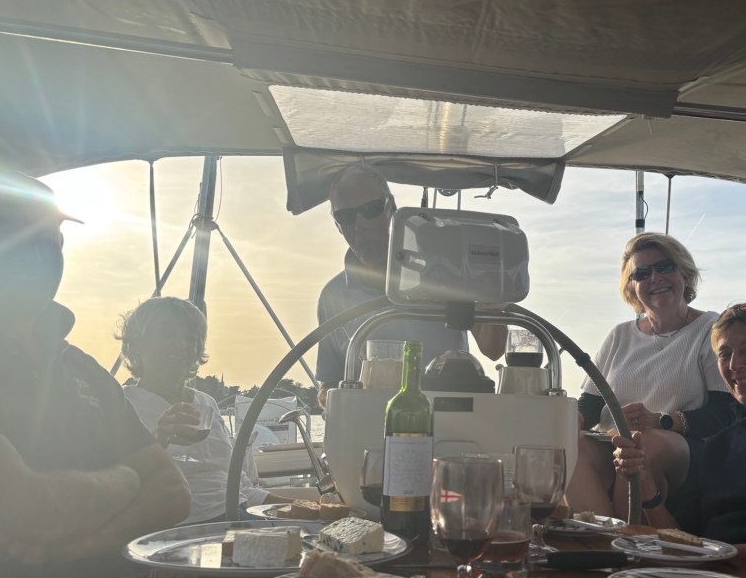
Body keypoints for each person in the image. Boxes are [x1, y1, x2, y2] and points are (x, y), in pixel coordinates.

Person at [0, 173, 193, 578]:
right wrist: (126, 480)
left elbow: (173, 492)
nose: (45, 255)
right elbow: (30, 506)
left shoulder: (77, 365)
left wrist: (77, 542)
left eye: (53, 239)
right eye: (23, 238)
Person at [613, 303, 746, 567]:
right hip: (711, 575)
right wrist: (646, 486)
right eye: (724, 354)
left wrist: (722, 557)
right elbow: (684, 538)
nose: (735, 364)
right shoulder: (720, 442)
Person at [566, 232, 734, 518]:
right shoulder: (620, 335)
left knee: (642, 444)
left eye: (664, 267)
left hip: (678, 448)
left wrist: (660, 420)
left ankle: (629, 539)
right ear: (632, 287)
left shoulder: (711, 328)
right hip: (613, 442)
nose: (655, 278)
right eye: (642, 273)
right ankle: (598, 536)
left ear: (684, 273)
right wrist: (564, 426)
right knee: (571, 444)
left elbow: (724, 413)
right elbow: (590, 405)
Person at [315, 164, 506, 405]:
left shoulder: (446, 273)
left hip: (449, 417)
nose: (360, 224)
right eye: (346, 216)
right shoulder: (332, 296)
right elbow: (328, 383)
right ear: (337, 225)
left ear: (392, 209)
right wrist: (341, 400)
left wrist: (489, 288)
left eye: (371, 209)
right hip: (370, 421)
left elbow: (494, 348)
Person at [117, 296, 291, 524]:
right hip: (175, 529)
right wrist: (157, 439)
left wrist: (307, 510)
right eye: (166, 333)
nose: (180, 344)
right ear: (136, 344)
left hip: (239, 518)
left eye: (190, 338)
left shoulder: (207, 403)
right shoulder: (121, 404)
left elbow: (239, 488)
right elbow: (116, 487)